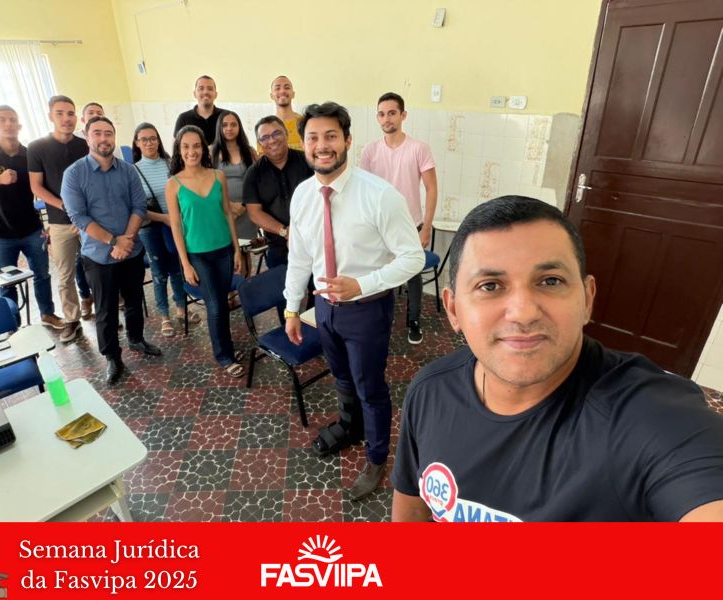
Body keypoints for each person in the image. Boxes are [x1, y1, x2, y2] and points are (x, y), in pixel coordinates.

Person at [391, 195, 723, 522]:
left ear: (587, 299)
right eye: (490, 286)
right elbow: (411, 511)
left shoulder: (648, 416)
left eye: (551, 281)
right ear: (453, 309)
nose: (523, 313)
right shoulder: (430, 390)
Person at [284, 102, 424, 501]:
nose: (322, 146)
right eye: (313, 138)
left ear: (347, 141)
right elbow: (300, 258)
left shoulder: (379, 195)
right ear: (305, 144)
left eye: (331, 136)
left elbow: (413, 258)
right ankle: (350, 427)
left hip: (367, 310)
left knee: (370, 387)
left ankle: (377, 457)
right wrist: (292, 308)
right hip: (324, 309)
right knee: (342, 377)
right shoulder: (303, 195)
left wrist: (362, 285)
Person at [62, 116, 162, 386]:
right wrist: (113, 242)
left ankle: (136, 339)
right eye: (97, 133)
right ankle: (112, 356)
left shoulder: (128, 170)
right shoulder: (74, 174)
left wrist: (126, 241)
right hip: (98, 256)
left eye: (108, 133)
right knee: (105, 309)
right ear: (87, 136)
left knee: (134, 300)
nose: (104, 138)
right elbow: (78, 217)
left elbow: (139, 207)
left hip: (131, 250)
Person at [0, 105, 64, 331]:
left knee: (42, 275)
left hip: (32, 229)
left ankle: (48, 314)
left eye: (12, 119)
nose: (8, 124)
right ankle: (12, 325)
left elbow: (45, 188)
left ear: (19, 125)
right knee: (6, 282)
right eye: (2, 119)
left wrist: (53, 223)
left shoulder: (30, 154)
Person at [165, 125, 245, 377]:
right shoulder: (173, 184)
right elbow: (176, 226)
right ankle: (224, 356)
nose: (192, 151)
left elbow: (228, 214)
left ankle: (227, 348)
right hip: (197, 255)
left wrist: (237, 250)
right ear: (179, 150)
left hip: (224, 250)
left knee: (222, 301)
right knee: (215, 305)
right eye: (185, 146)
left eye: (196, 145)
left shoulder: (218, 176)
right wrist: (185, 264)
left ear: (204, 148)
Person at [361, 92, 438, 345]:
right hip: (378, 226)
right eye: (382, 114)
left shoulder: (418, 148)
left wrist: (426, 227)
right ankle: (380, 319)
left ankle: (413, 320)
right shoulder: (370, 151)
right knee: (379, 273)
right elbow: (363, 190)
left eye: (392, 113)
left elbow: (432, 188)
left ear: (403, 115)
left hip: (410, 224)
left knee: (413, 273)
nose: (387, 118)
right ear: (377, 118)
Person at [28, 95, 89, 343]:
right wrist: (65, 205)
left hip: (89, 220)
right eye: (60, 113)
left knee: (97, 268)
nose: (66, 118)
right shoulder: (37, 147)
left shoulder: (85, 145)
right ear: (50, 116)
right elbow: (36, 186)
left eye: (70, 113)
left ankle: (105, 313)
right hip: (60, 221)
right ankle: (72, 320)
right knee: (65, 274)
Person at [131, 122, 193, 337]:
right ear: (137, 143)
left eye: (153, 138)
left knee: (177, 268)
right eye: (144, 139)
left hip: (174, 225)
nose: (149, 143)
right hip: (151, 227)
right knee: (159, 272)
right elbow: (137, 208)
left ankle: (181, 309)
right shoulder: (134, 171)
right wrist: (165, 218)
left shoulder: (171, 163)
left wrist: (174, 219)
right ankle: (164, 316)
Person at [244, 116, 312, 269]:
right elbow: (254, 213)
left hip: (313, 244)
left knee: (318, 284)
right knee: (281, 284)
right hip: (278, 249)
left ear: (286, 134)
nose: (272, 140)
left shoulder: (308, 162)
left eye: (276, 133)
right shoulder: (253, 174)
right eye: (265, 137)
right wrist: (285, 232)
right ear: (259, 143)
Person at [210, 110, 258, 240]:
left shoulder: (250, 151)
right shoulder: (211, 152)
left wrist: (244, 206)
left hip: (247, 211)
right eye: (225, 125)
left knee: (247, 247)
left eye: (233, 124)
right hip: (221, 210)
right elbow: (206, 184)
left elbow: (258, 182)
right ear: (219, 128)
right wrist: (229, 205)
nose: (229, 128)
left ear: (239, 127)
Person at [257, 75, 303, 153]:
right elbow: (262, 157)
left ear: (293, 94)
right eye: (277, 88)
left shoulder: (304, 123)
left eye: (287, 87)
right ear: (271, 96)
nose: (282, 91)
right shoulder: (264, 128)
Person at [173, 75, 223, 144]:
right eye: (201, 88)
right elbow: (177, 147)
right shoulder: (183, 118)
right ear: (194, 94)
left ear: (216, 94)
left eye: (210, 89)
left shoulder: (225, 117)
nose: (205, 92)